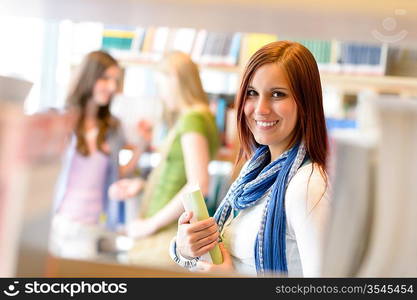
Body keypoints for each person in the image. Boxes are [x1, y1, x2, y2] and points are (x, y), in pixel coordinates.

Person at [170, 41, 330, 277]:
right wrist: (186, 249)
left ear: (305, 103)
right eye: (252, 93)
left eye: (277, 94)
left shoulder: (307, 187)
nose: (261, 108)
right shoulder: (253, 173)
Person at [108, 51, 220, 267]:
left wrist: (149, 224)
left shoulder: (192, 118)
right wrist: (142, 185)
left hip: (165, 236)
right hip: (165, 234)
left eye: (161, 86)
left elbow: (198, 185)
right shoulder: (202, 116)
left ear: (174, 77)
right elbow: (177, 176)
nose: (162, 95)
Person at [49, 50, 142, 259]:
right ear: (89, 77)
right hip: (56, 223)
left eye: (115, 80)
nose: (112, 87)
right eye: (105, 78)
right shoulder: (60, 120)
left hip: (91, 228)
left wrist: (141, 147)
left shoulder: (113, 128)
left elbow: (117, 177)